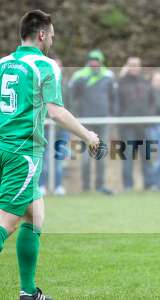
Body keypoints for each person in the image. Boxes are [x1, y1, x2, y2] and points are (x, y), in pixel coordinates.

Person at [0, 10, 99, 300]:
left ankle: (29, 292)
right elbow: (55, 111)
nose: (52, 41)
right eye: (52, 36)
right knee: (6, 221)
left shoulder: (3, 63)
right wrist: (88, 136)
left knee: (35, 214)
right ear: (42, 35)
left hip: (3, 147)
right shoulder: (45, 66)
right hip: (22, 153)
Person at [69, 49, 117, 195]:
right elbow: (71, 98)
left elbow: (114, 98)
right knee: (86, 157)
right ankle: (86, 187)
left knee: (100, 156)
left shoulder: (108, 76)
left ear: (101, 63)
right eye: (92, 62)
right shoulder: (79, 76)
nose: (94, 64)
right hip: (85, 123)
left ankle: (100, 186)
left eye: (97, 62)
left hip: (102, 122)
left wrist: (112, 115)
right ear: (88, 62)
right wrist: (75, 117)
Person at [117, 57, 154, 190]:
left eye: (136, 65)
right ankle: (128, 186)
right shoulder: (120, 83)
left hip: (144, 126)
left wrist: (149, 116)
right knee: (127, 158)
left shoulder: (145, 82)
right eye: (131, 65)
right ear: (126, 66)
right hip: (127, 127)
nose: (134, 67)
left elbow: (152, 102)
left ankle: (149, 185)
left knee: (147, 157)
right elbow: (116, 103)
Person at [39, 57, 70, 196]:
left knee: (59, 158)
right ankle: (41, 186)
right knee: (43, 158)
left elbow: (70, 107)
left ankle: (58, 186)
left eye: (60, 65)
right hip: (44, 128)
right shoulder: (41, 84)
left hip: (62, 129)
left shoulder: (67, 86)